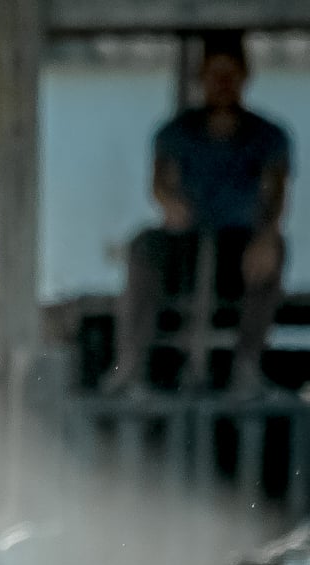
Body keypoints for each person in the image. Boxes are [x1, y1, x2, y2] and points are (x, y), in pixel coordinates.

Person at [108, 33, 292, 396]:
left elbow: (277, 192)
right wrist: (170, 204)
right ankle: (131, 366)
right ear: (201, 78)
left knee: (275, 252)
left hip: (238, 245)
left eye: (230, 75)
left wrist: (267, 236)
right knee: (143, 246)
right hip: (186, 244)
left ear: (244, 77)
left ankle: (246, 366)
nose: (222, 84)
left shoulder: (268, 135)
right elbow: (161, 182)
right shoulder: (176, 132)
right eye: (214, 74)